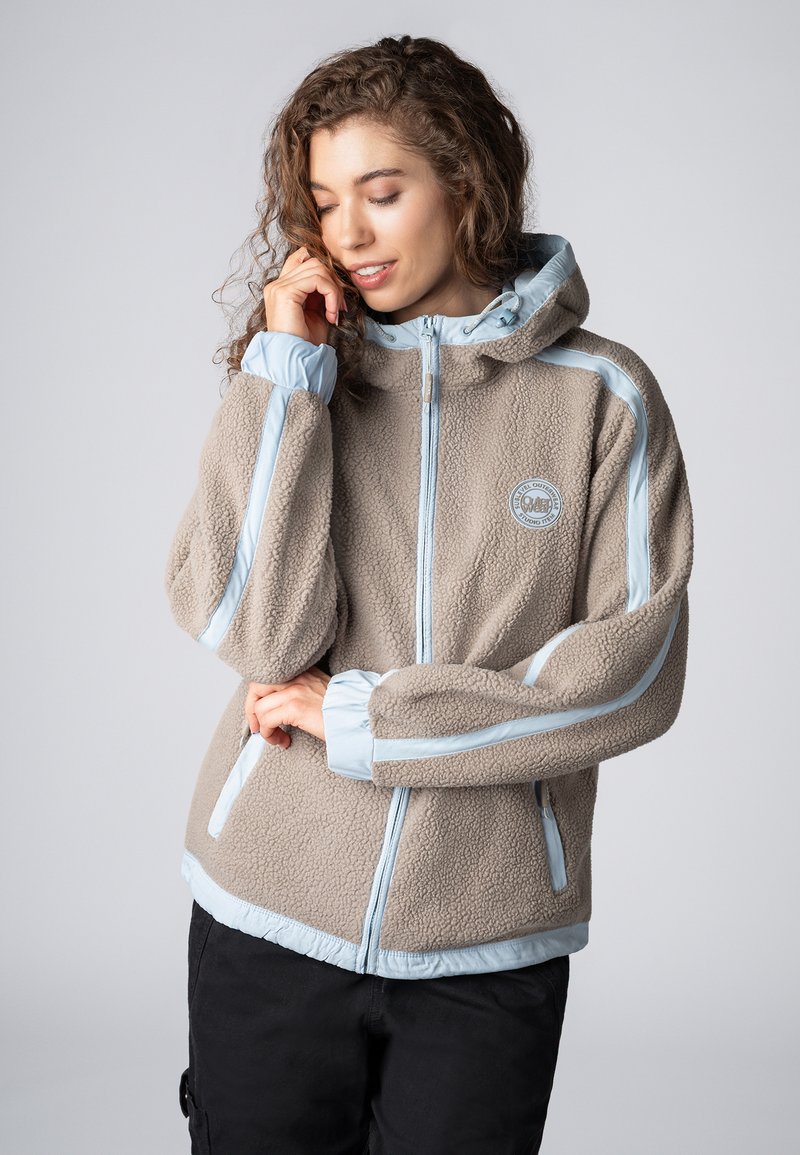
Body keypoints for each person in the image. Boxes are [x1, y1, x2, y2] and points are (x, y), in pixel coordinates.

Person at [165, 33, 694, 1155]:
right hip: (268, 908)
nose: (348, 234)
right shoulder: (306, 374)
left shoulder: (602, 397)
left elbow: (631, 672)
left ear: (465, 182)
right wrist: (286, 377)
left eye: (382, 191)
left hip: (485, 933)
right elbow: (250, 627)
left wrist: (373, 721)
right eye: (323, 203)